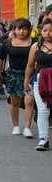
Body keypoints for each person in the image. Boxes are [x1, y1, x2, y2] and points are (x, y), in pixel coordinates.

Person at [0, 18, 34, 139]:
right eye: (19, 29)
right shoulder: (8, 42)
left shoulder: (33, 42)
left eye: (25, 29)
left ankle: (27, 127)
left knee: (29, 102)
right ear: (15, 29)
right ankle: (16, 126)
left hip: (29, 75)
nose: (22, 32)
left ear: (29, 30)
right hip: (13, 74)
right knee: (15, 103)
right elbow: (1, 59)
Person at [24, 19, 52, 150]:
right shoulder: (36, 46)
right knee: (42, 111)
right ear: (40, 32)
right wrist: (26, 82)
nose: (48, 33)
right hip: (40, 80)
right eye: (45, 30)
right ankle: (44, 139)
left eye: (51, 30)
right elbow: (30, 66)